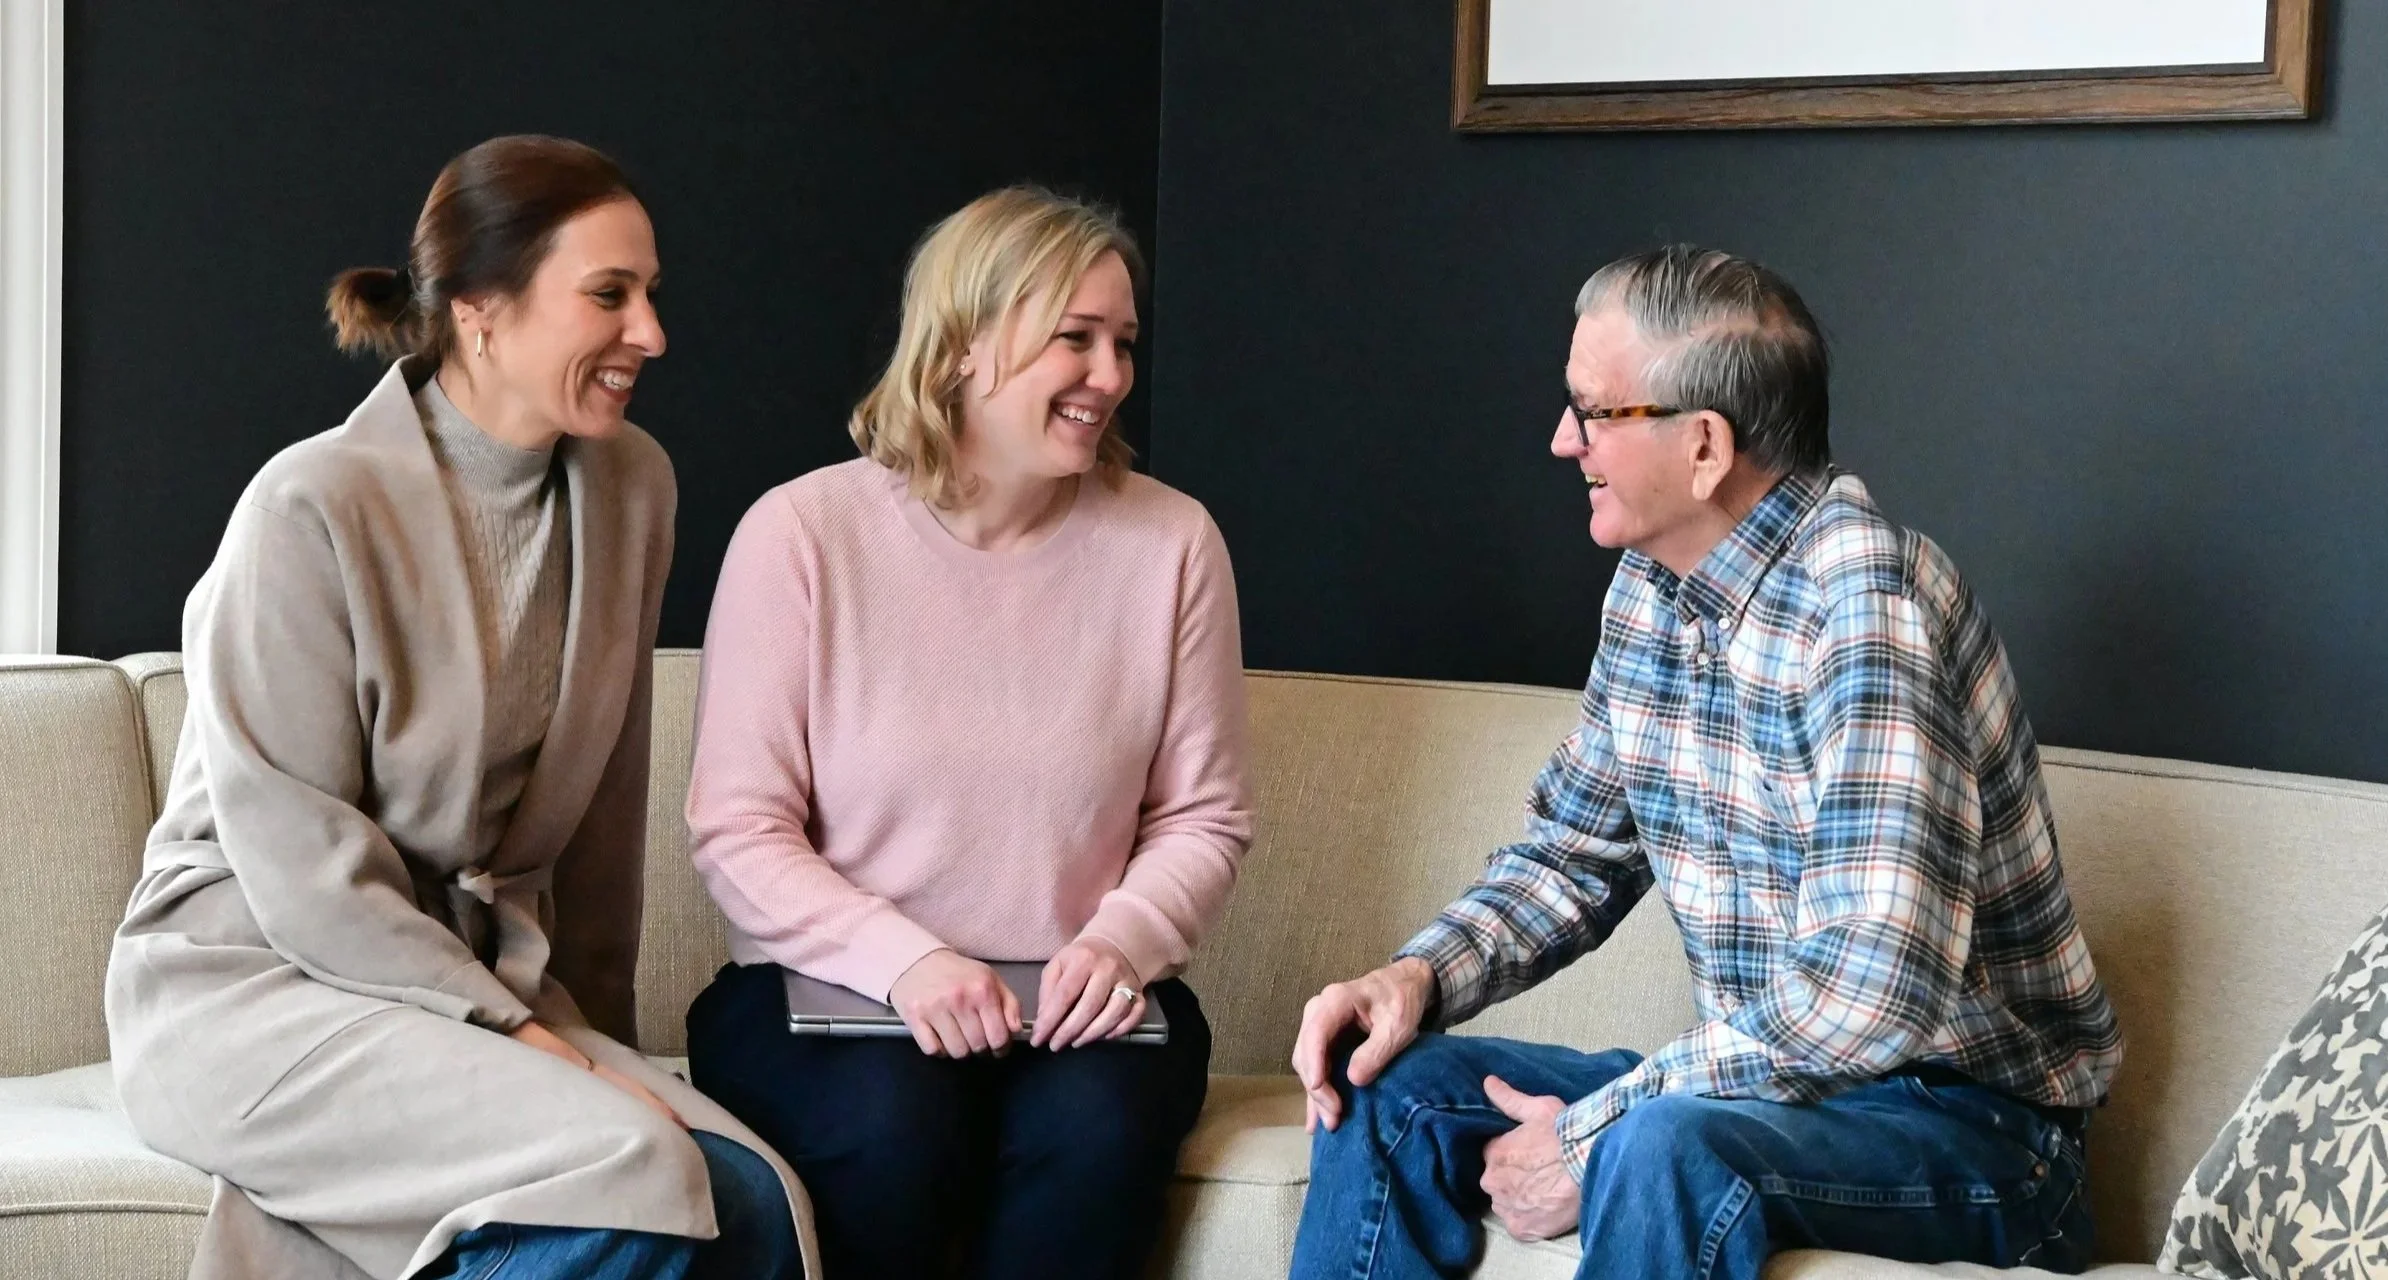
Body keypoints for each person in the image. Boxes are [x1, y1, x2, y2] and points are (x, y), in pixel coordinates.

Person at [1285, 245, 2124, 1280]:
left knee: (1657, 1144)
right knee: (1386, 1090)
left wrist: (1594, 1129)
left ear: (1705, 447)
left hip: (1979, 1134)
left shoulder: (1866, 604)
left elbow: (1865, 1001)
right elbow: (1572, 859)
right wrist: (1412, 977)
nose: (1562, 440)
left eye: (1593, 411)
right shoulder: (1649, 592)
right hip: (1773, 1101)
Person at [103, 134, 809, 1280]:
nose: (652, 333)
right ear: (481, 307)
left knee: (750, 1201)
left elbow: (600, 824)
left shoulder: (632, 485)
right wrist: (527, 1044)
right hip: (261, 979)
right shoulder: (309, 505)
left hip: (475, 982)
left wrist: (597, 1038)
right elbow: (301, 860)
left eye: (652, 295)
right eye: (609, 294)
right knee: (634, 1175)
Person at [681, 185, 1251, 1279]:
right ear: (958, 349)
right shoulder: (802, 534)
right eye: (1073, 340)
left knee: (1097, 1128)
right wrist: (908, 963)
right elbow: (738, 829)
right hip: (833, 990)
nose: (1111, 376)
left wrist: (1120, 941)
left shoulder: (1173, 543)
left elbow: (1205, 814)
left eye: (1122, 342)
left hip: (1081, 998)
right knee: (895, 1121)